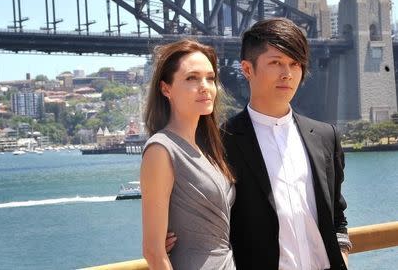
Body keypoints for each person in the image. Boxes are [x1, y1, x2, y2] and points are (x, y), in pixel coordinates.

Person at [222, 17, 352, 269]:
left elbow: (337, 213)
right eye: (276, 62)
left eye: (295, 64)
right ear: (247, 69)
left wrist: (343, 255)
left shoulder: (326, 136)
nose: (287, 74)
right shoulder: (220, 142)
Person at [141, 39, 236, 269]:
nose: (205, 86)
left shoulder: (207, 150)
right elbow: (153, 252)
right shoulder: (161, 150)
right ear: (166, 88)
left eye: (210, 78)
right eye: (192, 78)